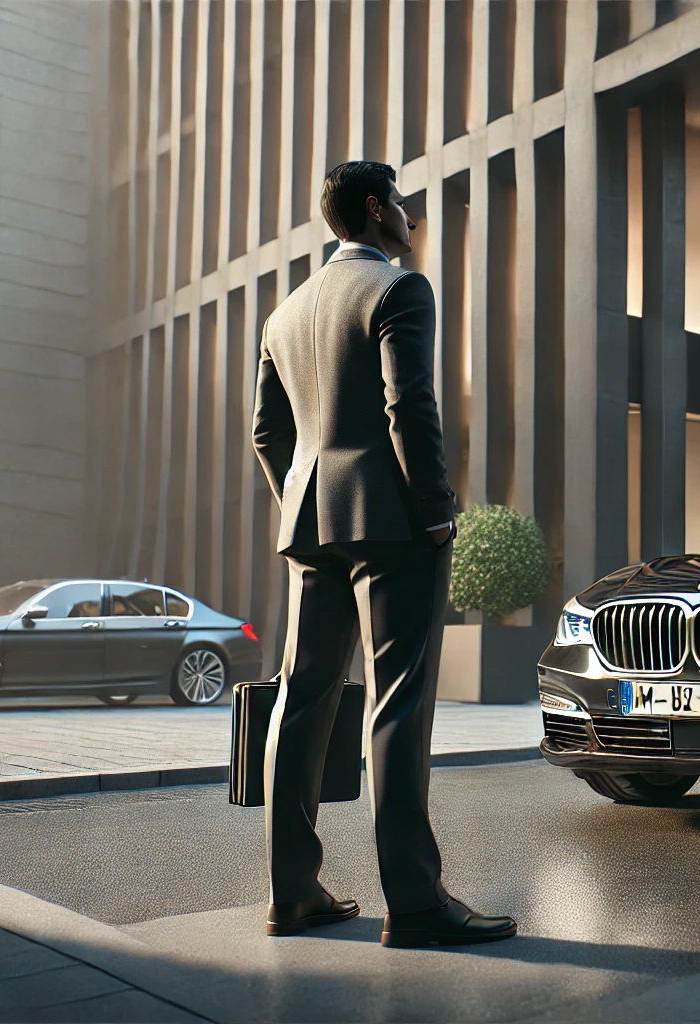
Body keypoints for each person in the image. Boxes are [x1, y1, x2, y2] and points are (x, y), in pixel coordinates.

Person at [252, 160, 515, 948]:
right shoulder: (401, 289)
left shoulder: (285, 313)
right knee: (397, 703)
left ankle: (292, 895)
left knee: (303, 701)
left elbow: (268, 435)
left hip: (311, 524)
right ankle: (416, 904)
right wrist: (436, 514)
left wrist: (304, 501)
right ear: (376, 211)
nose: (409, 216)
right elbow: (410, 406)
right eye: (400, 203)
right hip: (395, 523)